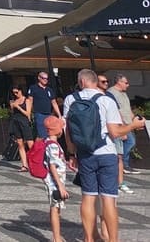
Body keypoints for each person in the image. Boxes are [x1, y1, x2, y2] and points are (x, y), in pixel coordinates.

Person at [64, 68, 145, 242]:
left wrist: (72, 154)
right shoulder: (106, 100)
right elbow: (115, 132)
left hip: (85, 155)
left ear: (81, 82)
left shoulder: (70, 99)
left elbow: (68, 131)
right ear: (94, 81)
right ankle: (113, 240)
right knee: (109, 200)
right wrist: (133, 126)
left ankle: (89, 238)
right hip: (106, 152)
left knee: (88, 197)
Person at [106, 73, 139, 186]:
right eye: (126, 82)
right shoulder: (111, 93)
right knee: (130, 142)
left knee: (131, 142)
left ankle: (124, 164)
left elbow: (127, 109)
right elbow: (117, 111)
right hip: (121, 124)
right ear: (119, 82)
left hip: (129, 123)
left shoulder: (124, 94)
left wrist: (135, 120)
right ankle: (123, 165)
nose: (128, 85)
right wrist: (122, 124)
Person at [41, 115, 70, 242]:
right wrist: (60, 186)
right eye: (61, 127)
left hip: (55, 182)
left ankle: (57, 236)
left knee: (56, 208)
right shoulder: (52, 145)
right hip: (54, 183)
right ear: (56, 130)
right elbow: (52, 166)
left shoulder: (49, 142)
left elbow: (56, 161)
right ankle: (56, 238)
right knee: (54, 208)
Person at [26, 71, 61, 145]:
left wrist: (59, 115)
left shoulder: (49, 90)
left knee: (51, 134)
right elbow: (30, 101)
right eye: (43, 78)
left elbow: (54, 102)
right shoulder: (33, 88)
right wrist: (28, 114)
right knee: (41, 135)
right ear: (39, 78)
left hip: (48, 114)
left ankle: (48, 151)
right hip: (39, 114)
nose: (45, 80)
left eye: (47, 79)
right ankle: (37, 151)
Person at [8, 85, 34, 173]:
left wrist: (18, 107)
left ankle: (35, 163)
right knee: (20, 144)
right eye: (13, 93)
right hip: (16, 122)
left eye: (16, 92)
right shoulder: (14, 100)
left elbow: (28, 113)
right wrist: (12, 107)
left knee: (30, 144)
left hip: (24, 122)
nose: (15, 94)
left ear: (21, 91)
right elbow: (12, 113)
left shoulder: (26, 100)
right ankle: (24, 165)